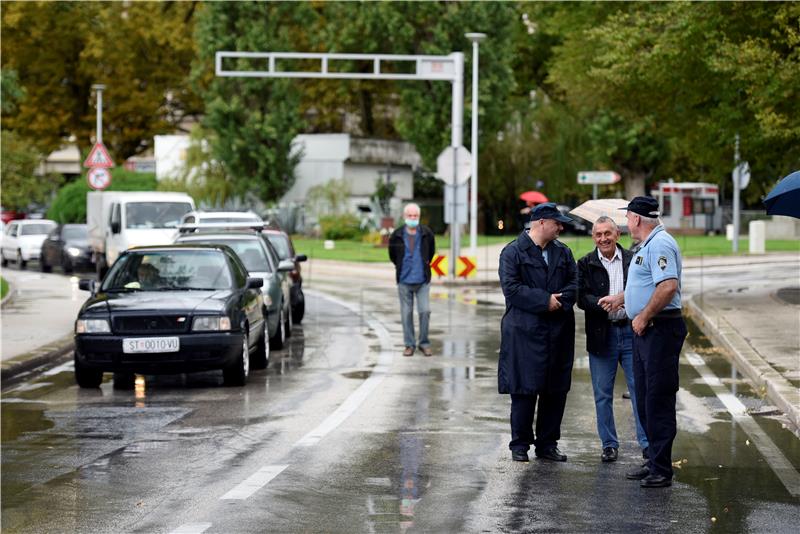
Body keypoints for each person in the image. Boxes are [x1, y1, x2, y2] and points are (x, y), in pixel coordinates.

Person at [498, 202, 577, 462]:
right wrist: (545, 301)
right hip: (524, 333)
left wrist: (561, 301)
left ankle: (547, 444)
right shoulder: (512, 252)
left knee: (555, 391)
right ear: (542, 222)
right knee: (524, 390)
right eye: (557, 223)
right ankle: (520, 444)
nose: (560, 227)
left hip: (557, 332)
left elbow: (574, 284)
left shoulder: (563, 253)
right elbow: (512, 289)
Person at [619, 196, 687, 488]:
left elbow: (668, 286)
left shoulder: (660, 244)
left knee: (658, 399)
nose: (626, 222)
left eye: (627, 217)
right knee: (646, 398)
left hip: (659, 330)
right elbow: (646, 285)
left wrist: (644, 316)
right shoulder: (646, 245)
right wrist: (621, 300)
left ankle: (662, 469)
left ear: (636, 218)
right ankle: (653, 461)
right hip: (646, 330)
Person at [577, 216, 649, 464]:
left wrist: (622, 300)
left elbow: (643, 289)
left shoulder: (633, 259)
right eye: (598, 234)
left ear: (618, 234)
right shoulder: (585, 263)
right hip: (601, 334)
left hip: (631, 332)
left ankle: (647, 444)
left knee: (640, 391)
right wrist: (602, 304)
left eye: (608, 233)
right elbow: (581, 298)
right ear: (593, 237)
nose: (603, 239)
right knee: (602, 394)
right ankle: (609, 444)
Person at [388, 203, 436, 357]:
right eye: (410, 216)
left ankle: (424, 343)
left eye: (415, 216)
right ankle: (409, 345)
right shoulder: (396, 235)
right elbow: (393, 255)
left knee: (425, 311)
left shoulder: (427, 233)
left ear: (419, 217)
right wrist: (401, 266)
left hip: (422, 280)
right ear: (404, 217)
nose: (413, 218)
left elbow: (431, 252)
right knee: (406, 313)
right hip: (404, 280)